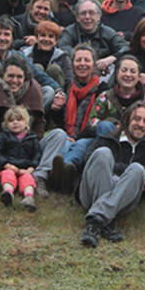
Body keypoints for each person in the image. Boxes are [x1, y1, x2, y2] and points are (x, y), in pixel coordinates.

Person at [0, 55, 68, 201]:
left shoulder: (34, 89)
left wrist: (32, 146)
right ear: (3, 76)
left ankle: (38, 177)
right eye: (10, 76)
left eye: (19, 77)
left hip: (27, 147)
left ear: (25, 77)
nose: (14, 81)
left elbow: (40, 122)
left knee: (59, 134)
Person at [78, 101, 145, 247]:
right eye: (137, 119)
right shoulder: (107, 140)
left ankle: (95, 222)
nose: (141, 124)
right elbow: (88, 164)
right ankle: (107, 220)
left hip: (124, 200)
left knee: (138, 169)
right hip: (92, 192)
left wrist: (142, 181)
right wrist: (123, 169)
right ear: (127, 120)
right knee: (103, 154)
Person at [51, 44, 106, 194]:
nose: (82, 64)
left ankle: (62, 174)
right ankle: (62, 176)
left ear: (94, 64)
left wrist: (77, 137)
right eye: (78, 60)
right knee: (63, 144)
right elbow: (59, 118)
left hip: (89, 136)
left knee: (80, 145)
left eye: (86, 60)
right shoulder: (68, 86)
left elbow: (98, 121)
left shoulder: (102, 88)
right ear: (73, 63)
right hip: (67, 134)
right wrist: (56, 108)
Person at [86, 55, 145, 140]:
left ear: (138, 76)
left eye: (133, 71)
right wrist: (113, 124)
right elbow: (91, 122)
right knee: (81, 144)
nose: (128, 75)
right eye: (124, 70)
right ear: (117, 73)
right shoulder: (106, 96)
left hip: (140, 141)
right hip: (107, 138)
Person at [0, 105, 42, 211]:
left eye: (19, 120)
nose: (15, 122)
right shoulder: (3, 137)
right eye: (11, 121)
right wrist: (6, 165)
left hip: (24, 169)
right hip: (7, 167)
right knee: (8, 174)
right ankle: (8, 193)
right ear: (6, 124)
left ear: (26, 122)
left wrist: (31, 167)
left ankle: (29, 197)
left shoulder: (32, 138)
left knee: (28, 179)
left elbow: (37, 154)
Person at [56, 0, 130, 76]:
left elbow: (126, 47)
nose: (87, 17)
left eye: (91, 13)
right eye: (83, 13)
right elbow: (63, 48)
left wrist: (113, 58)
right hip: (75, 74)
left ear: (99, 16)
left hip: (103, 75)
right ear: (77, 17)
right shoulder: (69, 32)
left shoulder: (108, 32)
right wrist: (88, 62)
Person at [20, 20, 72, 90]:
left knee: (54, 69)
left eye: (51, 36)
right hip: (31, 92)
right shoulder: (24, 53)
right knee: (37, 67)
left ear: (56, 41)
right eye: (43, 35)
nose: (46, 39)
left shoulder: (62, 56)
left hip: (57, 93)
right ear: (37, 37)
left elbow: (69, 79)